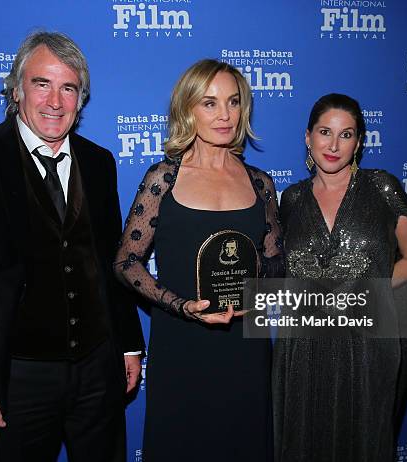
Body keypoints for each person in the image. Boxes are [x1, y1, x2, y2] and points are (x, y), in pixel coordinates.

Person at [0, 31, 144, 462]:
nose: (55, 101)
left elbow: (110, 262)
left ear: (82, 99)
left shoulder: (99, 162)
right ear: (16, 90)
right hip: (14, 377)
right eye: (42, 84)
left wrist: (128, 344)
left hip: (98, 369)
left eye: (69, 88)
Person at [114, 59, 284, 462]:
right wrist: (182, 306)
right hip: (182, 346)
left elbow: (278, 265)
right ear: (188, 109)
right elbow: (126, 262)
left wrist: (257, 273)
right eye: (210, 103)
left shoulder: (261, 182)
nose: (225, 115)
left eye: (233, 101)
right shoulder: (164, 179)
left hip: (245, 347)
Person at [273, 93, 407, 461]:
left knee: (362, 441)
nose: (334, 144)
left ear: (359, 142)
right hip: (303, 345)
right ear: (307, 137)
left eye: (346, 135)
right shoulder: (292, 200)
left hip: (365, 342)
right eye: (325, 132)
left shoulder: (381, 188)